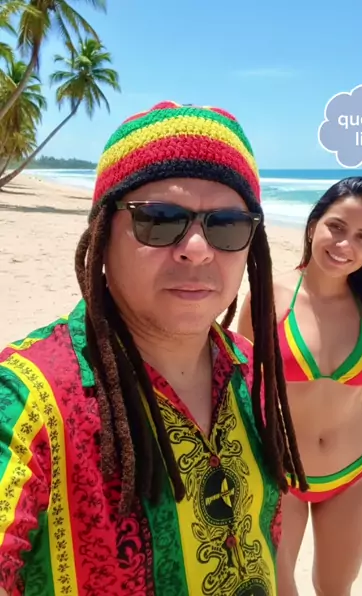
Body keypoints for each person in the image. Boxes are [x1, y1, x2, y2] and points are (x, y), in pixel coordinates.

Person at [0, 101, 307, 596]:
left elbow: (271, 543)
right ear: (103, 236)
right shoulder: (25, 399)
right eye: (160, 220)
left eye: (227, 226)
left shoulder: (251, 372)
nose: (197, 249)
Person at [237, 176, 362, 596]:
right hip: (282, 475)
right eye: (337, 226)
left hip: (355, 476)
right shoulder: (269, 297)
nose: (345, 244)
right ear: (314, 224)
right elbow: (241, 389)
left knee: (335, 588)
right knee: (279, 588)